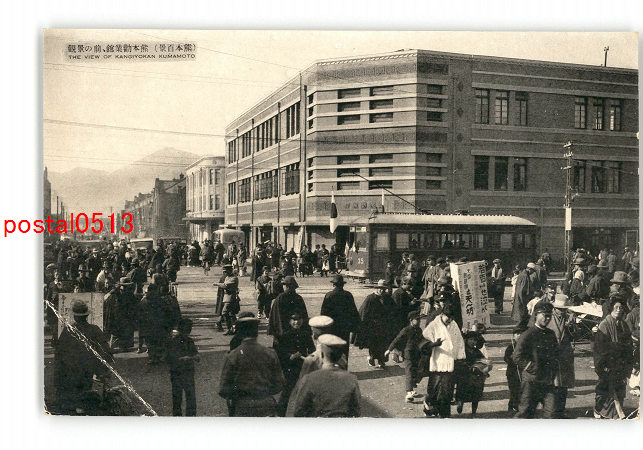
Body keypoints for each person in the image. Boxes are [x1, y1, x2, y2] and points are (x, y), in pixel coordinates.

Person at [218, 317, 285, 417]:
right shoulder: (270, 353)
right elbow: (279, 383)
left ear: (240, 333)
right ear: (256, 333)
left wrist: (236, 396)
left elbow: (223, 389)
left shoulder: (233, 356)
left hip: (242, 405)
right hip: (266, 403)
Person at [54, 300, 113, 414]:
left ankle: (77, 406)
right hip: (89, 368)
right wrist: (102, 369)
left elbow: (60, 352)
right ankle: (83, 406)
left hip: (72, 369)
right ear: (86, 315)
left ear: (75, 316)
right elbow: (105, 350)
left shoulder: (68, 330)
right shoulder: (94, 329)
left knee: (75, 389)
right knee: (86, 388)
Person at [290, 334, 361, 417]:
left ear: (322, 355)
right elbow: (356, 410)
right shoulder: (351, 379)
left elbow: (299, 410)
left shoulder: (310, 379)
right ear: (340, 356)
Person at [512, 302, 561, 418]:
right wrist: (532, 368)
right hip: (531, 381)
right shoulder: (528, 334)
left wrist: (554, 373)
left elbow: (555, 354)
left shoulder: (551, 334)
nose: (547, 319)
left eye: (549, 316)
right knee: (525, 413)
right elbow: (516, 356)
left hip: (547, 380)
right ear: (536, 315)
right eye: (544, 315)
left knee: (551, 413)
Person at [593, 295, 635, 419]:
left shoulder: (624, 325)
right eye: (616, 307)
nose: (618, 310)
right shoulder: (604, 325)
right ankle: (600, 409)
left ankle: (615, 413)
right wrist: (605, 364)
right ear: (611, 308)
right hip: (607, 363)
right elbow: (600, 348)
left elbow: (628, 345)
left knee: (619, 388)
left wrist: (628, 362)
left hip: (620, 363)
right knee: (605, 389)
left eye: (621, 308)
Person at [421, 303, 465, 418]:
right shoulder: (434, 324)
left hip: (450, 362)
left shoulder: (454, 324)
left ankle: (445, 414)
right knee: (433, 390)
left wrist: (460, 356)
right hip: (438, 361)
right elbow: (424, 338)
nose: (449, 320)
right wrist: (434, 344)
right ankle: (430, 406)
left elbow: (459, 341)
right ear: (442, 314)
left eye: (451, 318)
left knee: (447, 391)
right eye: (447, 317)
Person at [274, 312, 315, 416]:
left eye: (299, 319)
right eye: (294, 320)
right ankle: (280, 414)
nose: (296, 322)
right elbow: (279, 352)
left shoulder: (305, 334)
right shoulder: (284, 335)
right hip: (290, 367)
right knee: (287, 392)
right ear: (289, 321)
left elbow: (312, 350)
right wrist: (290, 356)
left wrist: (309, 358)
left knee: (304, 392)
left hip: (303, 366)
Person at [353, 280, 398, 369]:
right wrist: (363, 324)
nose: (381, 290)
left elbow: (394, 310)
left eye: (383, 289)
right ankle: (372, 358)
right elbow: (363, 312)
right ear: (377, 288)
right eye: (380, 288)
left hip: (385, 326)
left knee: (384, 344)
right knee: (373, 344)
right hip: (373, 327)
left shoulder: (388, 298)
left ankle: (382, 361)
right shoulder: (370, 298)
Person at [385, 311, 425, 402]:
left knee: (415, 371)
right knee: (409, 372)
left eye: (419, 319)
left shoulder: (419, 330)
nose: (419, 321)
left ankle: (412, 389)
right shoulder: (406, 330)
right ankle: (408, 392)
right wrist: (389, 349)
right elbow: (397, 339)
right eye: (417, 319)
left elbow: (422, 340)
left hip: (417, 354)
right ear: (411, 320)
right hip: (408, 354)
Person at [320, 274, 360, 363]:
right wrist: (355, 327)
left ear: (333, 284)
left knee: (332, 349)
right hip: (345, 328)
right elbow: (353, 312)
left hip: (332, 328)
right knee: (344, 350)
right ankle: (343, 368)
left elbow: (324, 313)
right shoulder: (348, 295)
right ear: (343, 285)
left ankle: (333, 367)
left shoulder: (329, 295)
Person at [167, 318, 200, 416]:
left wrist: (189, 358)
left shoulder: (188, 341)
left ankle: (187, 416)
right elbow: (169, 358)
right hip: (179, 372)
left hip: (184, 372)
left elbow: (197, 357)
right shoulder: (175, 342)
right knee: (183, 397)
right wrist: (185, 358)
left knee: (185, 397)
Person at [455, 330, 492, 417]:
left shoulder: (477, 351)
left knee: (476, 394)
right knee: (462, 391)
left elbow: (483, 361)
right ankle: (460, 403)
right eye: (471, 339)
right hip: (464, 374)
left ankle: (474, 411)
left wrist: (484, 367)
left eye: (475, 340)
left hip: (475, 376)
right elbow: (458, 361)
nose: (473, 342)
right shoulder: (462, 350)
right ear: (466, 340)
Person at [268, 276, 308, 343]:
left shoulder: (280, 298)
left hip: (283, 330)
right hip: (296, 330)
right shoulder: (298, 298)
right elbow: (304, 315)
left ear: (286, 286)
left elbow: (275, 316)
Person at [103, 276, 139, 352]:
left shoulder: (128, 294)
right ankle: (111, 350)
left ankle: (123, 347)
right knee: (116, 335)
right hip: (118, 318)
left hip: (124, 318)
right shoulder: (115, 294)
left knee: (124, 334)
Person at [138, 283, 170, 364]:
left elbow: (139, 313)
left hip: (147, 325)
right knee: (158, 341)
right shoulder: (160, 300)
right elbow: (166, 312)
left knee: (150, 342)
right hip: (158, 324)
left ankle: (152, 358)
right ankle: (158, 357)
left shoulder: (143, 301)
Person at [504, 324, 527, 414]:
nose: (519, 335)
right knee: (514, 390)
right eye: (517, 334)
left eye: (521, 334)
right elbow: (506, 358)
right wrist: (511, 358)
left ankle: (520, 407)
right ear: (513, 336)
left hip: (523, 372)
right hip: (512, 373)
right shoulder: (511, 347)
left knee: (523, 390)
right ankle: (512, 406)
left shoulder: (526, 347)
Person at [216, 269, 240, 335]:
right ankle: (235, 328)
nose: (225, 273)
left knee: (224, 312)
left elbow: (225, 285)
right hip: (226, 298)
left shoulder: (234, 278)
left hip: (231, 298)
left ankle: (229, 328)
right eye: (224, 271)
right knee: (231, 313)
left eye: (226, 271)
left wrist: (217, 284)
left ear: (230, 271)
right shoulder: (227, 277)